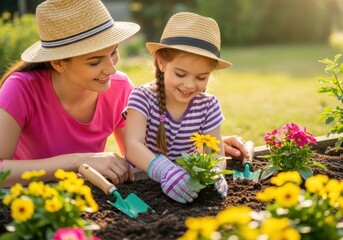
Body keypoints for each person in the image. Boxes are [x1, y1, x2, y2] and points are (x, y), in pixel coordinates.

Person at [0, 0, 140, 187]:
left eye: (113, 52)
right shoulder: (21, 89)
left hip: (86, 198)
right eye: (94, 62)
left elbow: (135, 159)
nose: (111, 69)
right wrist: (76, 162)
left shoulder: (120, 87)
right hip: (28, 201)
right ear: (58, 63)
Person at [124, 12, 238, 204]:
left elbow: (217, 154)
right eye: (181, 74)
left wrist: (216, 173)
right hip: (141, 182)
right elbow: (133, 146)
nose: (189, 85)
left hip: (187, 186)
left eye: (201, 77)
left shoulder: (208, 105)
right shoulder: (142, 97)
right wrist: (166, 171)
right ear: (162, 63)